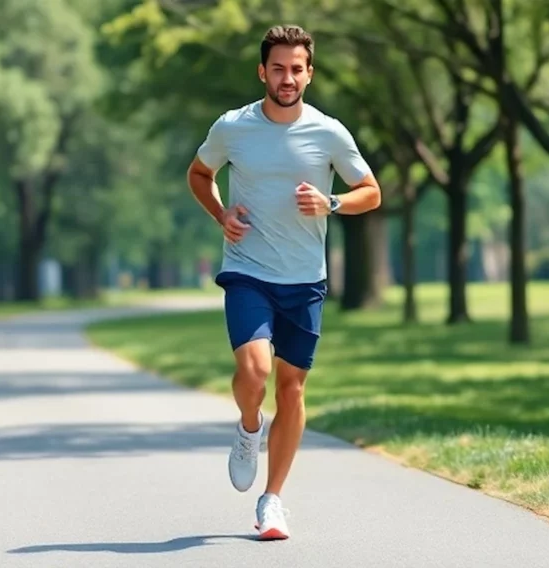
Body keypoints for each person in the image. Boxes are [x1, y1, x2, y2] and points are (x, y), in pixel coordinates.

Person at [185, 24, 382, 540]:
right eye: (278, 68)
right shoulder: (233, 127)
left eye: (297, 69)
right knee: (254, 372)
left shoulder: (329, 133)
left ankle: (272, 501)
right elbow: (199, 174)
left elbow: (371, 191)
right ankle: (250, 426)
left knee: (291, 389)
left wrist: (332, 202)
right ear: (262, 72)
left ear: (309, 73)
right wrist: (221, 214)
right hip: (248, 269)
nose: (287, 77)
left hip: (305, 279)